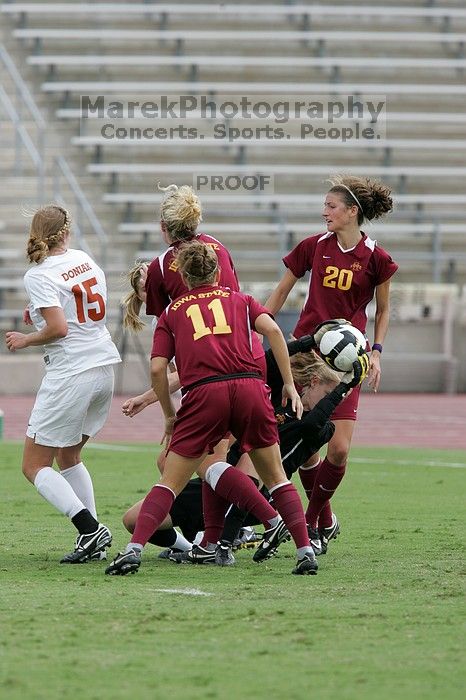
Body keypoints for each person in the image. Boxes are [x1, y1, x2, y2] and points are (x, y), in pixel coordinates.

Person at [106, 240, 318, 576]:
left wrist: (168, 415)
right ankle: (305, 551)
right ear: (218, 271)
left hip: (205, 394)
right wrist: (289, 383)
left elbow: (159, 369)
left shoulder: (171, 313)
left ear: (184, 279)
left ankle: (133, 551)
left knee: (170, 480)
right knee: (276, 477)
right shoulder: (240, 300)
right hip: (249, 387)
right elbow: (275, 331)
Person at [265, 174, 398, 547]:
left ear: (351, 212)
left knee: (338, 449)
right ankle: (321, 524)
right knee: (305, 447)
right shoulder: (312, 246)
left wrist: (376, 352)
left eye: (331, 206)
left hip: (346, 363)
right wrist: (256, 328)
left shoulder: (377, 258)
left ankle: (310, 522)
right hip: (306, 353)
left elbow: (384, 311)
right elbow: (280, 292)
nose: (324, 212)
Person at [5, 205, 121, 563]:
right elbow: (73, 306)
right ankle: (94, 538)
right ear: (66, 232)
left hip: (72, 371)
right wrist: (38, 312)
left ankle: (89, 529)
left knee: (33, 465)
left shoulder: (38, 274)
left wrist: (26, 338)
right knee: (69, 456)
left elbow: (59, 329)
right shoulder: (83, 258)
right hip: (104, 364)